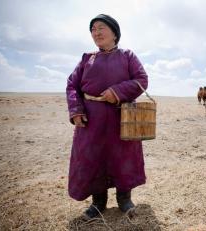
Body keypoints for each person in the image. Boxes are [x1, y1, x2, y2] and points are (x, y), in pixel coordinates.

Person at [66, 14, 148, 219]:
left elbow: (142, 80)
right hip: (91, 120)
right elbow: (71, 85)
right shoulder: (87, 58)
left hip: (122, 117)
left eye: (101, 27)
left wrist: (117, 91)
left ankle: (124, 199)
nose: (96, 32)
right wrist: (76, 110)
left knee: (124, 158)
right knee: (93, 159)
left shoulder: (127, 56)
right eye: (93, 29)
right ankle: (97, 203)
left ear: (114, 32)